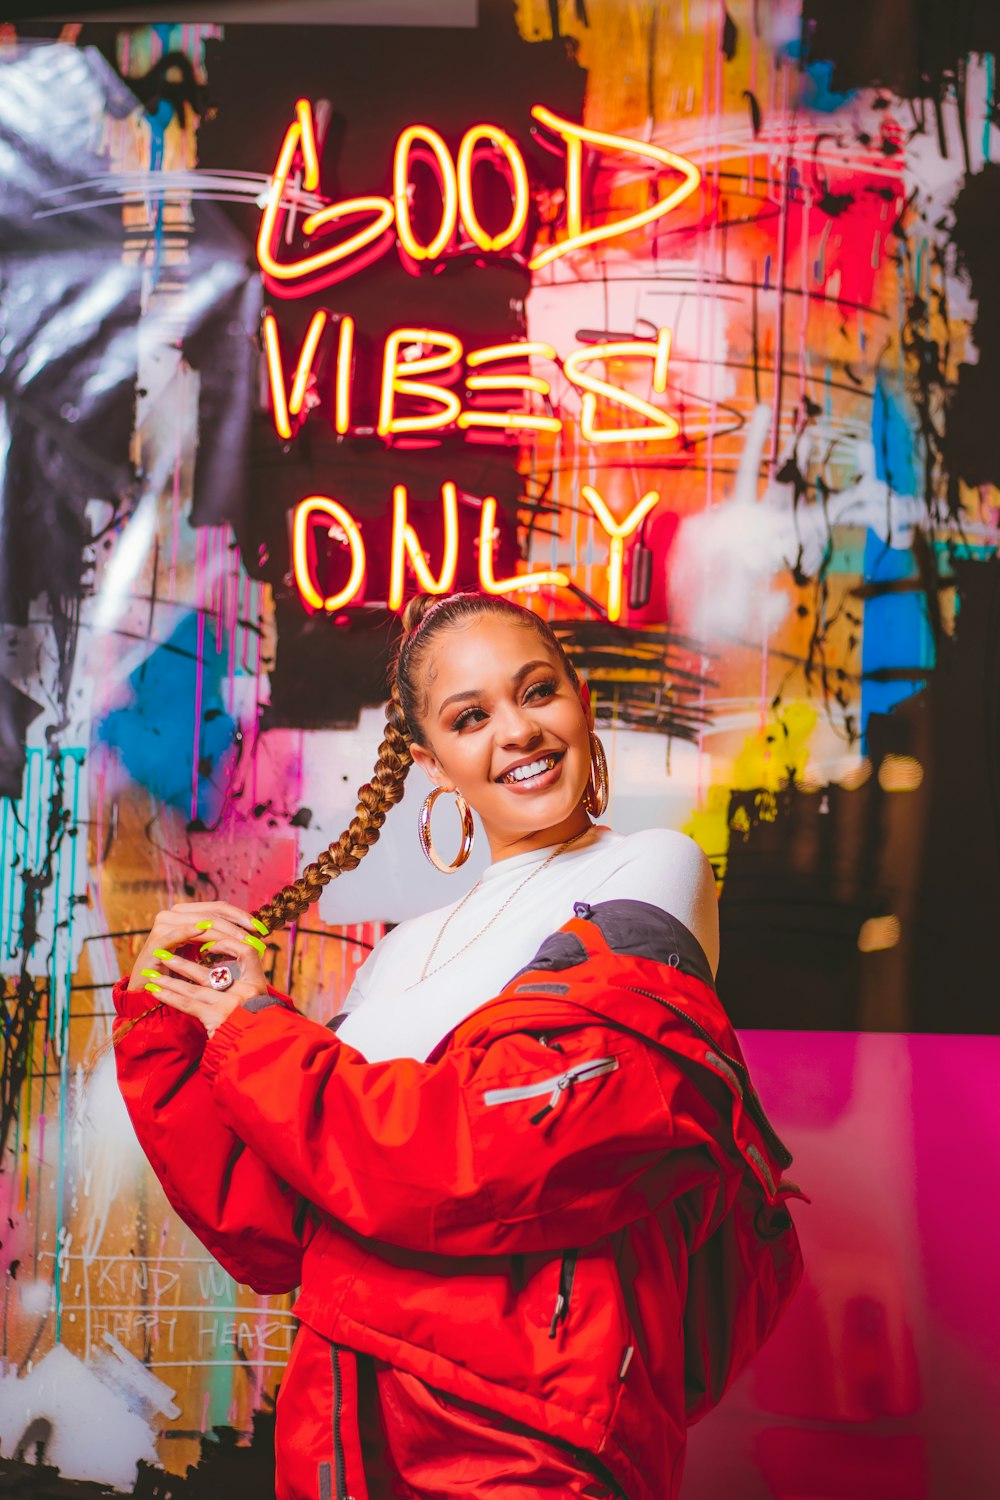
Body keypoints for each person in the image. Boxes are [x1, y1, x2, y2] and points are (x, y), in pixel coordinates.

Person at [111, 588, 806, 1500]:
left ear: (581, 703)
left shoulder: (649, 868)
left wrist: (259, 1032)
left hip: (523, 1433)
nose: (515, 731)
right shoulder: (397, 951)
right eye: (470, 717)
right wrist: (177, 1015)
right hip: (344, 1428)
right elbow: (289, 1231)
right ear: (436, 765)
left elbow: (494, 1151)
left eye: (538, 692)